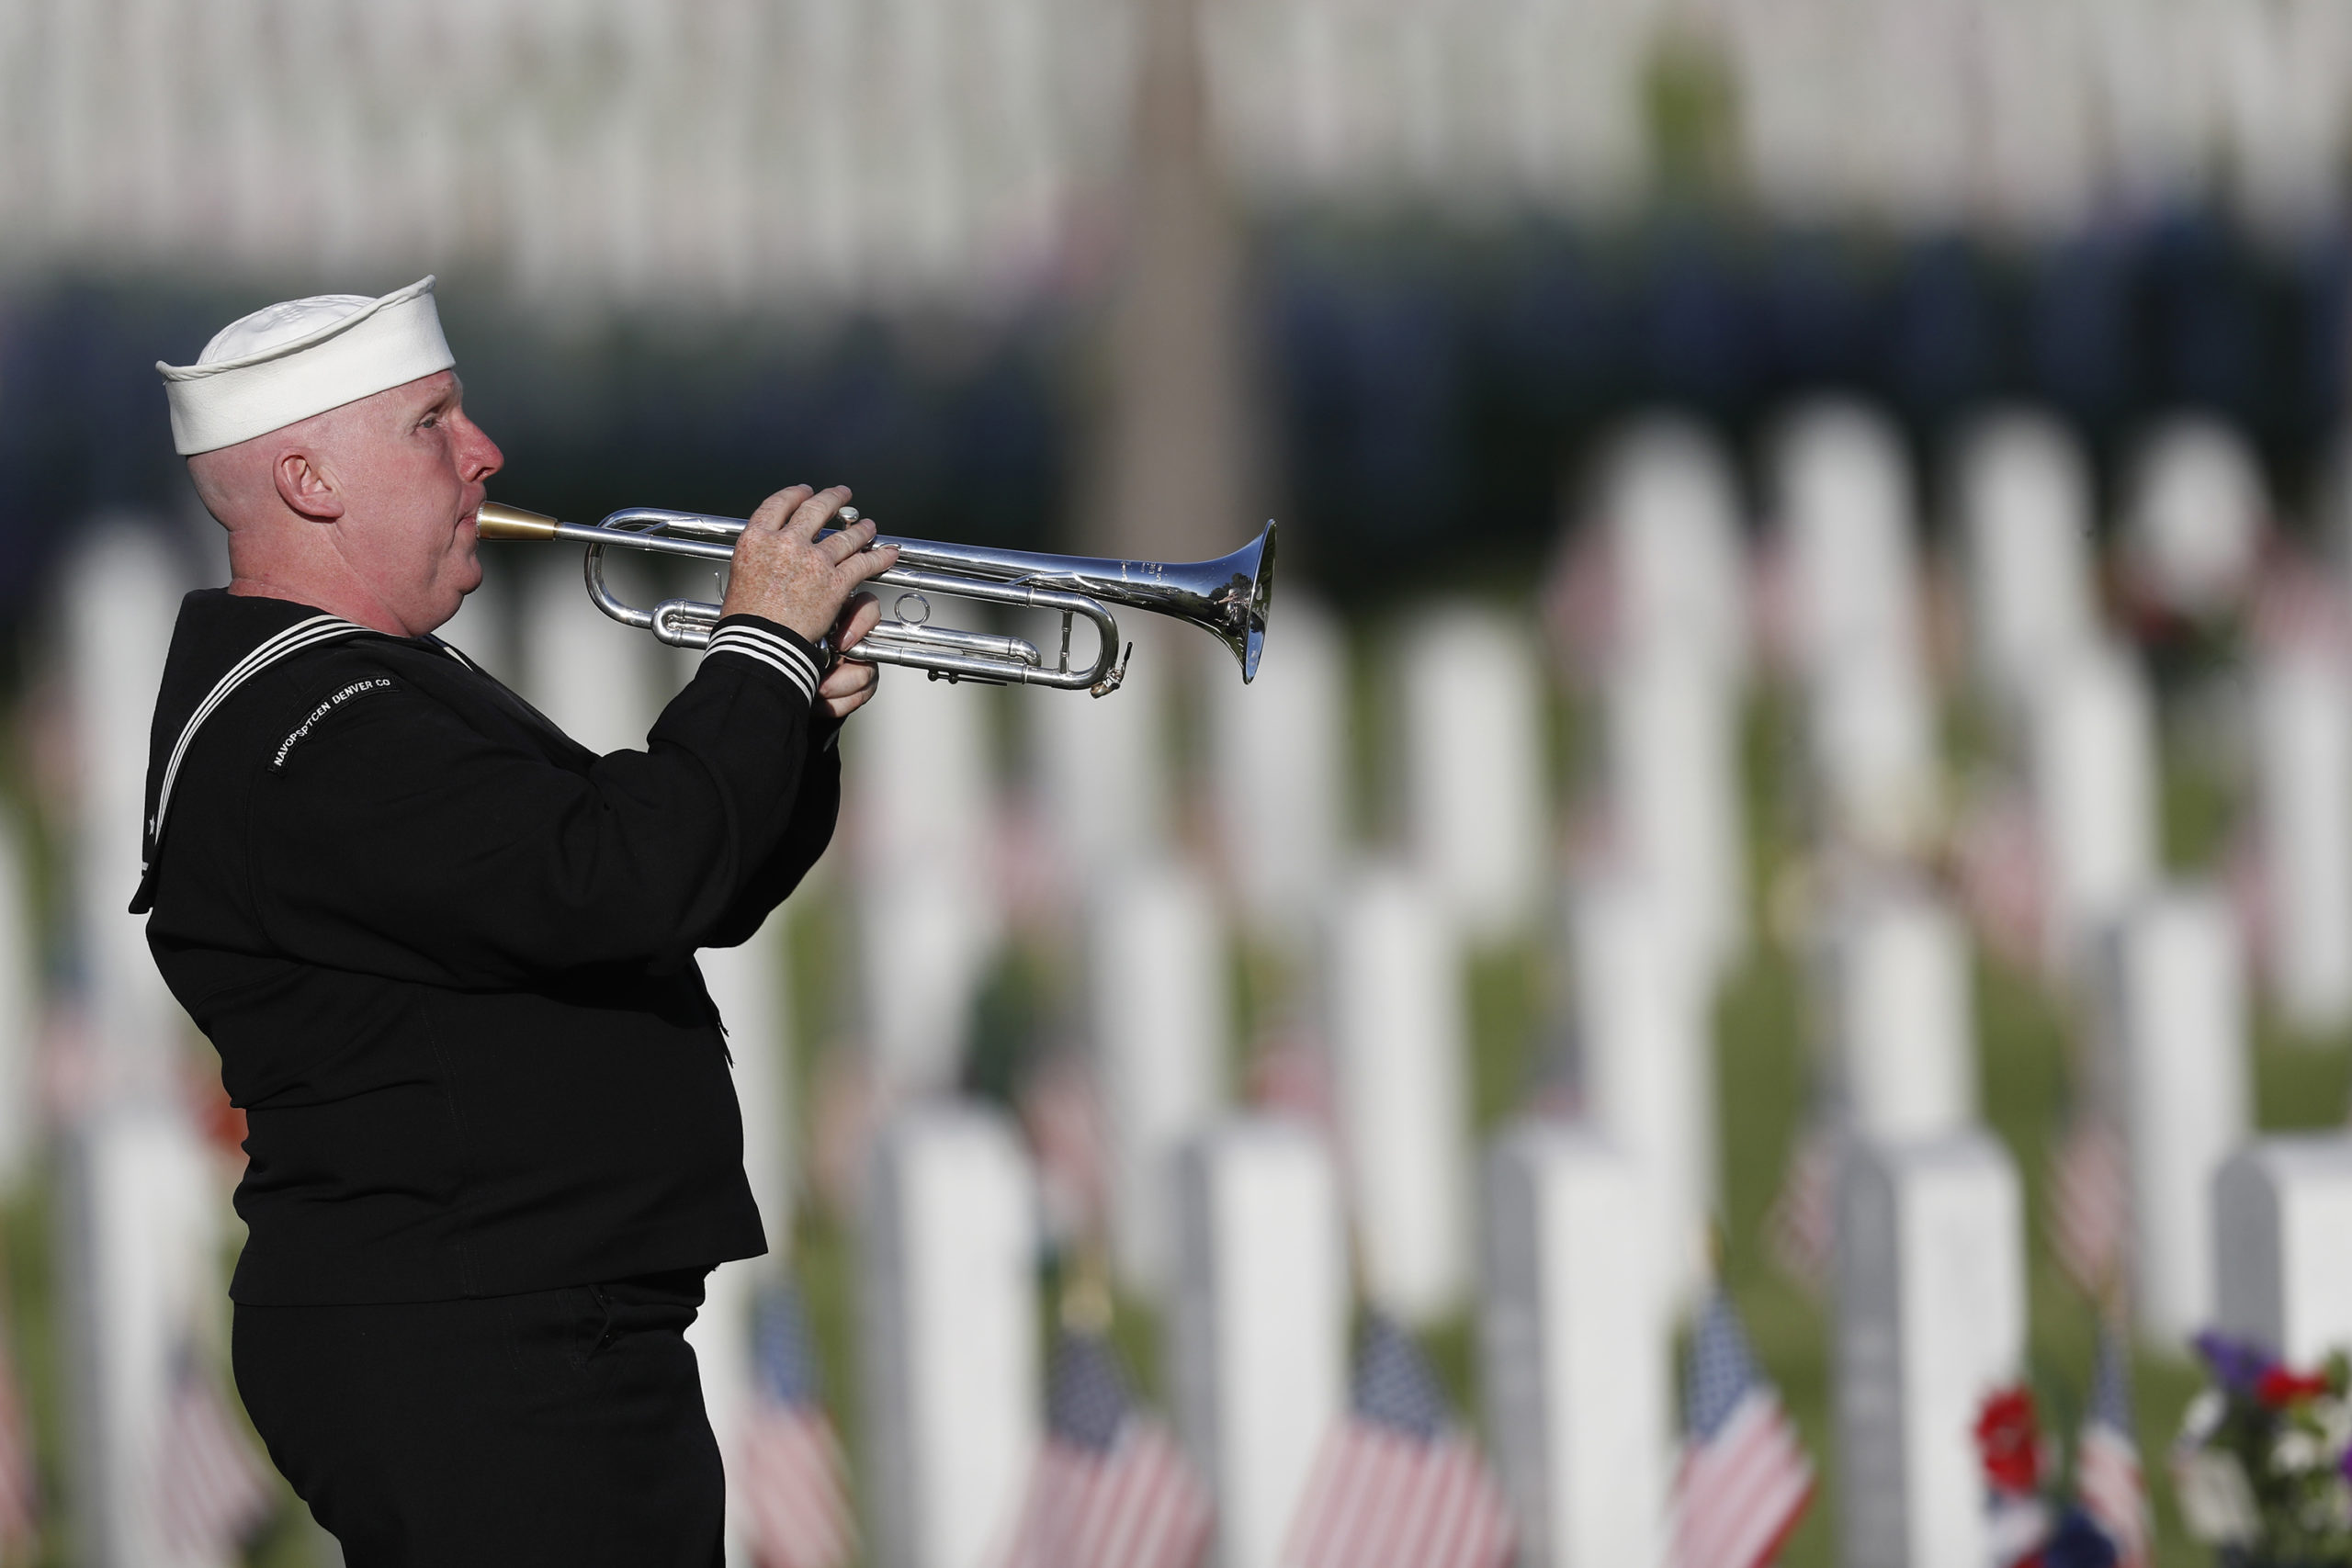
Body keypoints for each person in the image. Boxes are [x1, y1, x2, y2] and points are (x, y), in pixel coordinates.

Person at [139, 276, 895, 1565]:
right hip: (476, 1339)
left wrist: (789, 721)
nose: (484, 452)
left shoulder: (367, 689)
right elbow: (617, 878)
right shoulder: (313, 731)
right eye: (434, 423)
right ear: (313, 482)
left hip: (525, 1318)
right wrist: (755, 653)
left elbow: (677, 899)